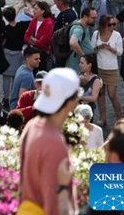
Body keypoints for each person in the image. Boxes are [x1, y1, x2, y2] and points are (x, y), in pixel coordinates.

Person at [18, 68, 80, 214]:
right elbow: (54, 208)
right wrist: (64, 187)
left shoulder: (32, 126)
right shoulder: (54, 144)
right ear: (72, 102)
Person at [92, 13, 123, 124]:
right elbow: (92, 49)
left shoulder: (117, 35)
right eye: (109, 24)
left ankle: (120, 118)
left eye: (113, 24)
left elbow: (120, 52)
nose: (111, 27)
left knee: (112, 94)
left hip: (112, 69)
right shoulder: (96, 34)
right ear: (103, 24)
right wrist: (99, 47)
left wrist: (110, 49)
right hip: (100, 68)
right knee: (100, 94)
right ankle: (102, 118)